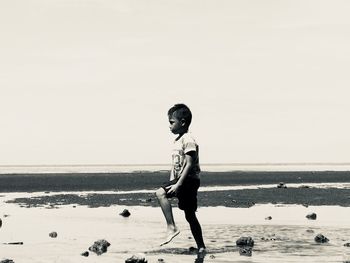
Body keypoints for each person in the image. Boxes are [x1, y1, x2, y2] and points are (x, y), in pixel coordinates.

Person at [155, 103, 206, 253]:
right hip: (181, 180)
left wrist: (178, 185)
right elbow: (175, 165)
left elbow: (189, 164)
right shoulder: (177, 140)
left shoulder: (188, 139)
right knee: (190, 215)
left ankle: (171, 227)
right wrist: (173, 181)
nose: (169, 126)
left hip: (189, 180)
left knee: (160, 193)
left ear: (182, 122)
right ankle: (201, 247)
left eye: (171, 122)